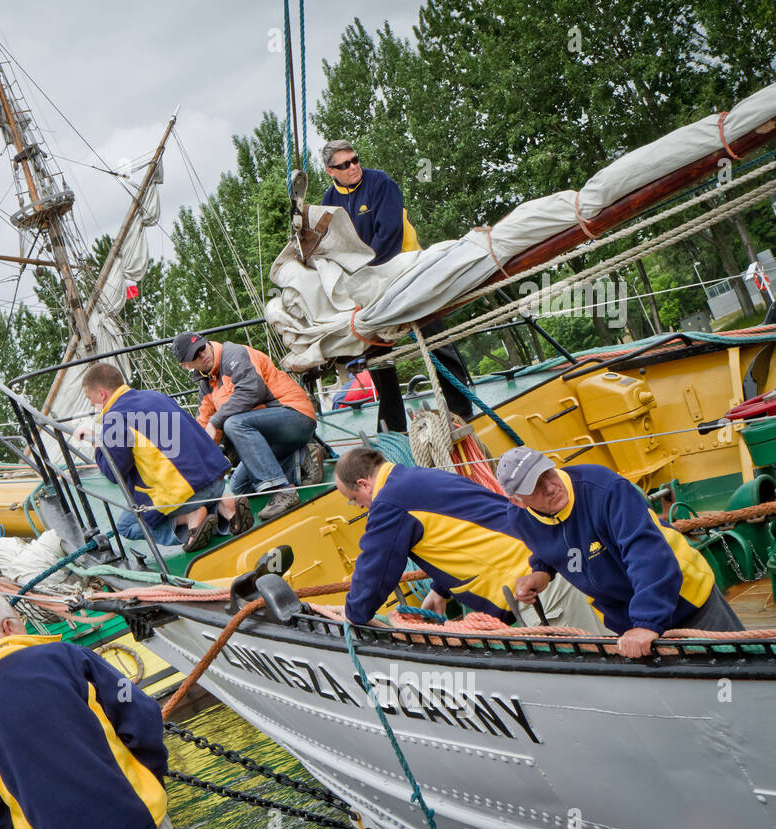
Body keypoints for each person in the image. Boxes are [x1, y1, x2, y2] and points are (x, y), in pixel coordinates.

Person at [0, 591, 188, 829]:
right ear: (7, 626)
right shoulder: (69, 657)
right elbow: (141, 716)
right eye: (20, 619)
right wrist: (147, 779)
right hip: (135, 823)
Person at [497, 446, 745, 658]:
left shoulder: (604, 489)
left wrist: (647, 622)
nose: (551, 487)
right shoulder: (521, 518)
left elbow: (646, 553)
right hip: (626, 622)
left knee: (738, 671)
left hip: (686, 601)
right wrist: (542, 571)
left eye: (548, 474)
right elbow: (549, 542)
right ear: (518, 501)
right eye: (537, 486)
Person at [334, 447, 605, 632]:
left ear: (365, 484)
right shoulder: (417, 478)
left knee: (601, 673)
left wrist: (353, 614)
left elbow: (376, 568)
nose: (359, 507)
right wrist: (440, 590)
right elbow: (463, 525)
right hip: (550, 566)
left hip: (538, 589)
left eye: (354, 500)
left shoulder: (389, 502)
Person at [318, 139, 473, 433]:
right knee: (374, 349)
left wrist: (364, 273)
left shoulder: (381, 184)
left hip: (406, 266)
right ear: (330, 171)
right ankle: (392, 423)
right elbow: (335, 245)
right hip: (367, 282)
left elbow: (389, 233)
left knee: (434, 335)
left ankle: (460, 407)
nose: (353, 167)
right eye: (345, 164)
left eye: (356, 159)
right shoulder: (329, 202)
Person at [76, 362, 251, 552]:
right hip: (216, 480)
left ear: (102, 394)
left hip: (185, 496)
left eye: (90, 398)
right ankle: (224, 506)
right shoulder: (156, 396)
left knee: (126, 526)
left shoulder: (115, 417)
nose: (92, 404)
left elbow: (113, 472)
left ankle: (190, 519)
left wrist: (97, 445)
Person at [173, 331, 323, 522]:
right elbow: (203, 429)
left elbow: (252, 390)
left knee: (233, 423)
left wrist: (215, 421)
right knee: (239, 487)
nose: (203, 354)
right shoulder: (206, 384)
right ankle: (303, 458)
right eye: (195, 355)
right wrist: (192, 464)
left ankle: (283, 491)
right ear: (186, 366)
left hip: (295, 416)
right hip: (272, 437)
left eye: (202, 348)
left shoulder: (234, 354)